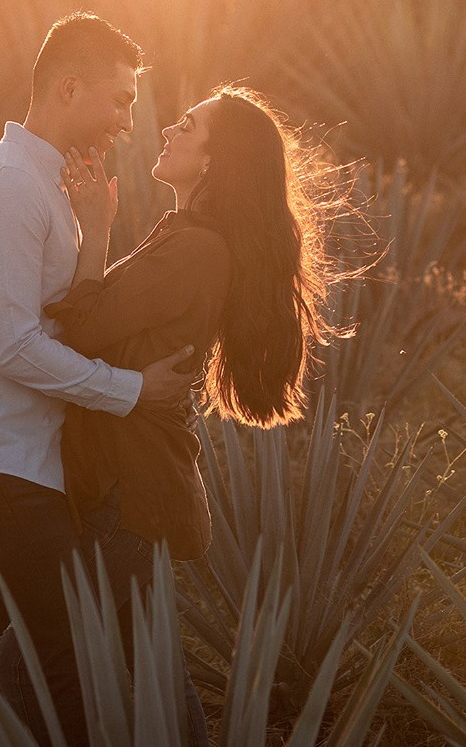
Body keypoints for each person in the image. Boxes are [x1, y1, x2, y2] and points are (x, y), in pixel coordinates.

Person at [0, 12, 196, 739]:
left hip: (30, 462)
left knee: (9, 680)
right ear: (69, 87)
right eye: (120, 100)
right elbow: (13, 346)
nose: (126, 123)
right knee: (73, 662)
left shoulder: (52, 187)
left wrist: (96, 232)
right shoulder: (7, 184)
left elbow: (69, 321)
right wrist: (134, 391)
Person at [46, 85, 340, 739]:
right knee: (162, 690)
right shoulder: (182, 235)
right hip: (125, 486)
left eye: (188, 126)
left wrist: (95, 229)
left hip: (129, 493)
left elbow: (80, 330)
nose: (169, 131)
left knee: (22, 669)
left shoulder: (197, 251)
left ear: (214, 162)